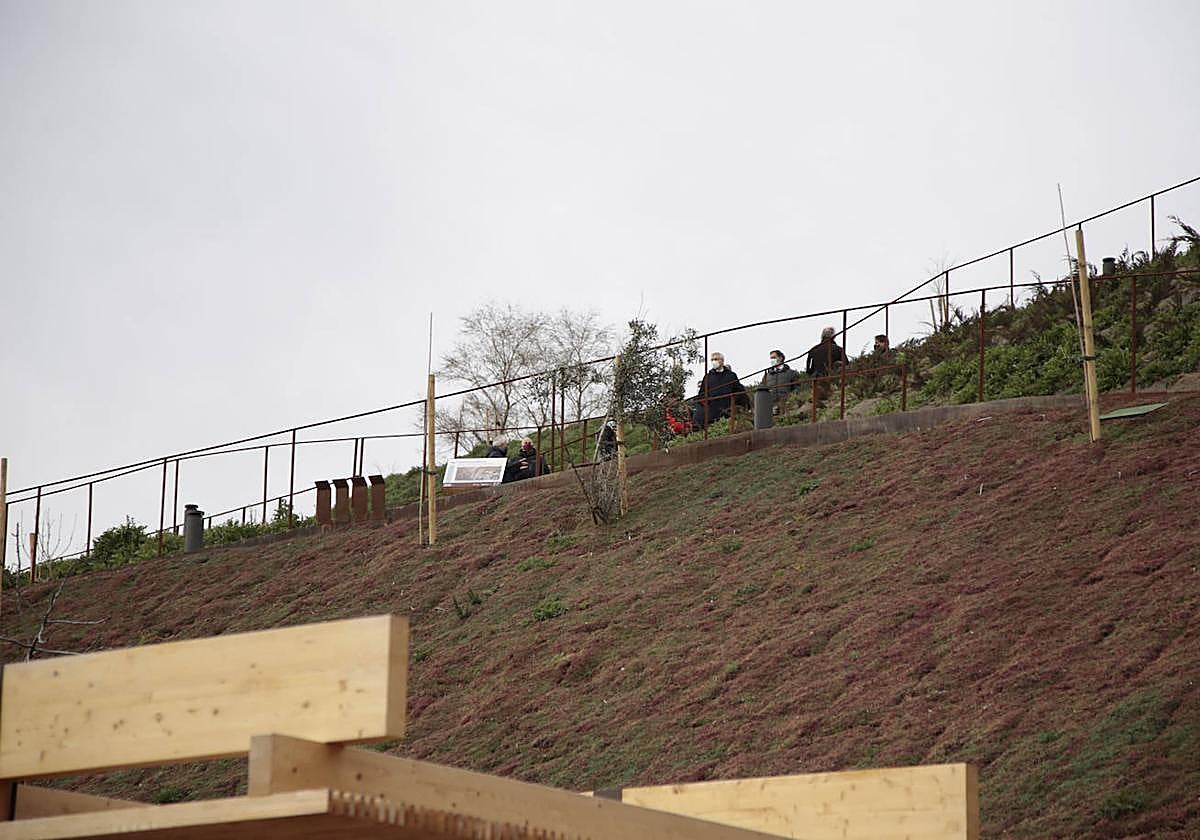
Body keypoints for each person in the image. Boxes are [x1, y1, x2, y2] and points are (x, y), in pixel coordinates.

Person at [691, 352, 748, 428]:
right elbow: (702, 394)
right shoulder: (708, 377)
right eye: (712, 360)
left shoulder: (731, 375)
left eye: (716, 359)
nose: (713, 362)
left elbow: (739, 391)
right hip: (712, 412)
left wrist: (745, 405)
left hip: (727, 410)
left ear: (722, 361)